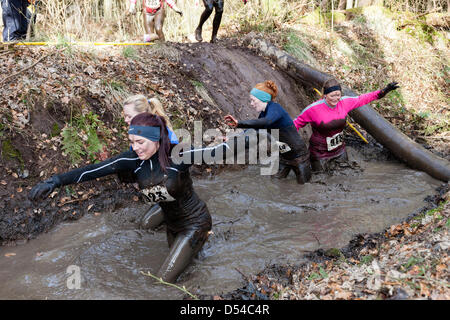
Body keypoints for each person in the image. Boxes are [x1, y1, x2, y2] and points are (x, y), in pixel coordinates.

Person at [29, 113, 225, 283]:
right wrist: (55, 181)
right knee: (187, 269)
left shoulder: (179, 155)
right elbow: (94, 170)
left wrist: (253, 133)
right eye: (132, 142)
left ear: (156, 139)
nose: (135, 148)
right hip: (172, 225)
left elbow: (219, 151)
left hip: (195, 222)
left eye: (140, 142)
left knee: (163, 280)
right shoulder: (132, 160)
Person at [293, 79, 399, 172]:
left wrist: (383, 91)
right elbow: (295, 125)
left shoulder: (345, 102)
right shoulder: (313, 109)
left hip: (339, 149)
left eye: (338, 95)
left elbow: (363, 98)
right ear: (325, 95)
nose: (335, 99)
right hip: (320, 152)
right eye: (332, 96)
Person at [224, 80, 311, 184]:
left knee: (304, 187)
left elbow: (266, 122)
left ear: (263, 99)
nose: (251, 104)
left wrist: (239, 123)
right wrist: (234, 137)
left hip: (299, 157)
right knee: (275, 183)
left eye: (253, 100)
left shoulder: (275, 109)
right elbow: (253, 129)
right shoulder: (263, 114)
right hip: (283, 157)